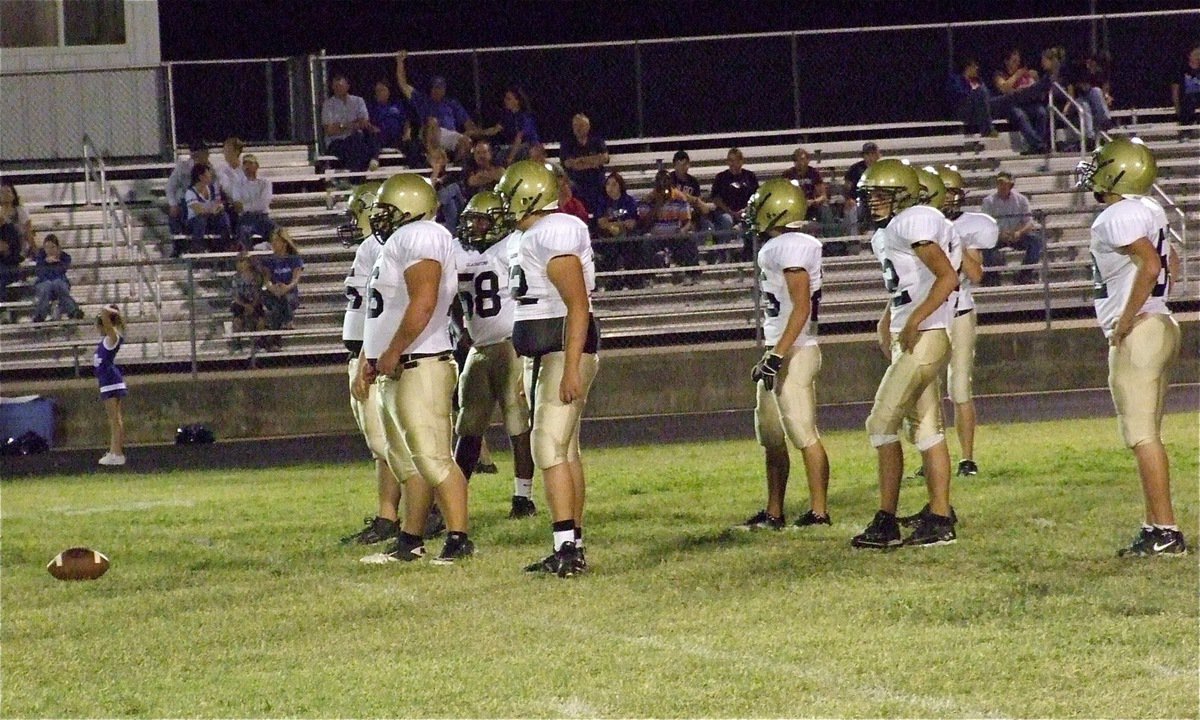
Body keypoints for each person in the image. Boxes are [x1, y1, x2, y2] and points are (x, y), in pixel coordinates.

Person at [355, 173, 473, 565]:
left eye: (387, 211)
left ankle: (459, 539)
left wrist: (392, 351)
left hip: (419, 363)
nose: (381, 219)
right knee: (409, 462)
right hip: (397, 365)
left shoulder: (421, 235)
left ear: (411, 207)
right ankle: (411, 539)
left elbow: (423, 302)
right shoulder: (400, 241)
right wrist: (369, 358)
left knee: (434, 458)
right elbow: (383, 312)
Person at [1078, 137, 1186, 557]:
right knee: (1149, 435)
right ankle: (1156, 525)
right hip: (1161, 323)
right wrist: (1154, 303)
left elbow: (1153, 263)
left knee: (1141, 436)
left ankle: (1165, 529)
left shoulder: (1116, 215)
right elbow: (1171, 261)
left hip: (1141, 332)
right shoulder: (1150, 208)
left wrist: (1124, 319)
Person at [496, 160, 600, 578]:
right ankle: (571, 542)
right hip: (546, 351)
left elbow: (578, 306)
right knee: (565, 448)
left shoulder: (554, 232)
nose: (504, 205)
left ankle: (567, 550)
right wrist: (525, 370)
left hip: (564, 348)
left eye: (509, 196)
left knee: (547, 447)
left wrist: (572, 366)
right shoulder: (530, 236)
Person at [852, 158, 958, 549]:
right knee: (928, 431)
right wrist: (890, 321)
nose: (873, 202)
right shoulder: (892, 230)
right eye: (871, 195)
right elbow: (911, 284)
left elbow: (947, 276)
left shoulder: (913, 221)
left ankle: (886, 520)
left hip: (926, 335)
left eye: (881, 195)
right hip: (917, 332)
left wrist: (914, 321)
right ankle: (940, 517)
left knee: (880, 423)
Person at [338, 180, 444, 546]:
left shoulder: (387, 246)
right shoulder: (378, 246)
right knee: (383, 444)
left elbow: (387, 307)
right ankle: (394, 514)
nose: (360, 221)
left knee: (393, 444)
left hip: (383, 355)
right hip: (370, 353)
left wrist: (373, 353)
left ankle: (406, 514)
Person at [735, 178, 831, 531]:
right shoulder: (781, 247)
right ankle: (774, 512)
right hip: (781, 347)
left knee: (803, 431)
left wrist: (777, 355)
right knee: (772, 435)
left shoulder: (788, 248)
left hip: (796, 349)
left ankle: (819, 512)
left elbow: (801, 306)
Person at [452, 190, 538, 518]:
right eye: (470, 219)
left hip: (510, 343)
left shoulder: (512, 245)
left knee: (517, 421)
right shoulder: (461, 251)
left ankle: (523, 497)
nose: (473, 226)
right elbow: (447, 296)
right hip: (479, 348)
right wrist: (461, 331)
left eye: (480, 219)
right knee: (468, 424)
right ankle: (454, 493)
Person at [937, 164, 997, 478]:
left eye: (953, 193)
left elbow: (976, 274)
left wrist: (954, 242)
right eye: (943, 193)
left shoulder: (968, 227)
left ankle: (967, 458)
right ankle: (931, 456)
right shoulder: (921, 224)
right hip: (930, 314)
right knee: (924, 391)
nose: (949, 200)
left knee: (959, 388)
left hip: (958, 311)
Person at [395, 50, 476, 161]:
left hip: (448, 134)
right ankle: (433, 156)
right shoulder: (422, 100)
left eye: (441, 88)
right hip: (430, 134)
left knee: (466, 142)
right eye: (436, 87)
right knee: (433, 121)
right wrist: (400, 62)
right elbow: (403, 84)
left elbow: (469, 125)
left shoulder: (452, 103)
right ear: (431, 88)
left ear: (444, 89)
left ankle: (457, 169)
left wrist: (468, 133)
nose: (438, 90)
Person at [980, 171, 1043, 285]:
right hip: (996, 236)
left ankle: (1025, 275)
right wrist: (999, 234)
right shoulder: (988, 201)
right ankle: (991, 276)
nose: (1002, 186)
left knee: (1036, 241)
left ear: (1011, 185)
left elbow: (1029, 223)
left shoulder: (1021, 200)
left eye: (1005, 183)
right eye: (999, 183)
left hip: (1017, 235)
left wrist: (1019, 232)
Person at [639, 169, 699, 284]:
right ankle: (648, 277)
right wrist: (657, 205)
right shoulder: (648, 199)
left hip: (675, 234)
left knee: (690, 238)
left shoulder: (680, 198)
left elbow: (687, 222)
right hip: (656, 235)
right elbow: (644, 224)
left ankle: (692, 274)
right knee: (646, 240)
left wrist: (682, 231)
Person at [595, 171, 651, 291]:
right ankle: (613, 281)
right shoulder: (602, 202)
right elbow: (601, 223)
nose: (610, 188)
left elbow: (632, 223)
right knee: (610, 250)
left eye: (614, 184)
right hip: (609, 238)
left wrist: (613, 224)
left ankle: (633, 280)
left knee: (633, 247)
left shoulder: (628, 201)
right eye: (608, 184)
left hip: (627, 237)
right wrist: (618, 224)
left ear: (620, 186)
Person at [991, 48, 1048, 154]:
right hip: (1008, 106)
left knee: (1041, 112)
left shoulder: (1024, 75)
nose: (1017, 64)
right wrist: (1017, 75)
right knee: (1020, 114)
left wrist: (1035, 79)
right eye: (1014, 61)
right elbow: (1004, 88)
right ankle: (1038, 144)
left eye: (1018, 61)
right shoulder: (999, 74)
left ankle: (1035, 145)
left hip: (1025, 103)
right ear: (1006, 62)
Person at [256, 228, 303, 345]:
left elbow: (295, 279)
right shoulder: (269, 260)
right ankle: (288, 320)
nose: (274, 244)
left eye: (277, 241)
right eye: (273, 241)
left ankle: (274, 340)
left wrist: (285, 288)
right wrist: (273, 289)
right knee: (277, 300)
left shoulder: (294, 258)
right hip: (273, 293)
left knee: (279, 305)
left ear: (284, 243)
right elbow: (266, 280)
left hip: (289, 292)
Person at [711, 148, 760, 259]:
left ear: (742, 161)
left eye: (736, 160)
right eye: (731, 160)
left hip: (746, 211)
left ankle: (749, 255)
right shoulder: (721, 177)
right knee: (726, 220)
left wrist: (746, 210)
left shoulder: (750, 176)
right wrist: (730, 211)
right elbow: (716, 198)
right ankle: (722, 254)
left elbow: (757, 196)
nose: (733, 163)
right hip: (725, 211)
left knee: (752, 221)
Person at [94, 304, 127, 467]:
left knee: (115, 419)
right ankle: (114, 451)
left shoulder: (112, 337)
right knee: (114, 419)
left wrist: (107, 311)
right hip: (106, 381)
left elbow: (106, 314)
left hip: (110, 381)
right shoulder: (107, 339)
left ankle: (117, 453)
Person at [560, 113, 609, 217]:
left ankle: (599, 222)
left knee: (603, 189)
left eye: (581, 125)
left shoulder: (596, 140)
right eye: (575, 125)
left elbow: (605, 158)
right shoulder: (567, 143)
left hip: (596, 181)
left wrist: (580, 161)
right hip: (576, 182)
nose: (578, 128)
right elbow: (568, 163)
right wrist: (593, 161)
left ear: (588, 127)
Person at [321, 73, 372, 173]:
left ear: (348, 86)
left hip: (356, 139)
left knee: (358, 141)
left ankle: (353, 177)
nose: (337, 89)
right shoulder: (328, 105)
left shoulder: (358, 101)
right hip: (336, 143)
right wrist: (353, 124)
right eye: (335, 86)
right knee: (357, 148)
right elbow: (329, 130)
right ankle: (356, 178)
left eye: (340, 86)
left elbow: (364, 123)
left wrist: (341, 125)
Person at [183, 163, 232, 254]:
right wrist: (212, 210)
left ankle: (225, 244)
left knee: (223, 216)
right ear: (201, 177)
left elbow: (218, 203)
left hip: (211, 218)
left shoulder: (213, 188)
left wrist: (217, 209)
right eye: (208, 174)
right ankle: (197, 247)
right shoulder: (190, 193)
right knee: (200, 220)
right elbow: (198, 210)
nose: (210, 176)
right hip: (194, 222)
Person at [32, 234, 83, 322]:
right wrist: (45, 262)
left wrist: (57, 262)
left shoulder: (65, 258)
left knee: (58, 283)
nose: (50, 250)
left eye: (52, 247)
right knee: (47, 286)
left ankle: (73, 311)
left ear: (58, 247)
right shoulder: (40, 257)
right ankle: (40, 315)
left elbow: (61, 271)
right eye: (47, 247)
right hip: (43, 283)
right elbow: (40, 273)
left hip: (60, 283)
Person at [482, 86, 539, 163]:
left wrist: (510, 158)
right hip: (516, 148)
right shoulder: (508, 116)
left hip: (530, 147)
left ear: (517, 101)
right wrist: (476, 132)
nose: (505, 101)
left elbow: (519, 138)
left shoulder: (525, 116)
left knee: (502, 156)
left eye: (508, 99)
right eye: (505, 98)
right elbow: (494, 130)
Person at [781, 147, 835, 229]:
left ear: (808, 160)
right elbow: (784, 195)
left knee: (825, 209)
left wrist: (813, 201)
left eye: (802, 159)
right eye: (797, 160)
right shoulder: (787, 174)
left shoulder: (814, 173)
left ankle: (832, 239)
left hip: (812, 205)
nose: (800, 162)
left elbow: (823, 196)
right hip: (794, 206)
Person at [166, 141, 209, 236]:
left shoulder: (209, 169)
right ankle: (179, 242)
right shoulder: (183, 167)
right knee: (177, 211)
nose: (207, 157)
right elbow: (170, 187)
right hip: (185, 202)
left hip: (202, 202)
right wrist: (173, 204)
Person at [231, 154, 274, 245]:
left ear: (257, 166)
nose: (247, 166)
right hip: (246, 218)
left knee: (277, 232)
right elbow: (237, 205)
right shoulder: (237, 184)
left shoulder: (265, 182)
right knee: (243, 231)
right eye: (245, 163)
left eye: (250, 163)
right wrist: (253, 206)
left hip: (262, 217)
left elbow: (264, 204)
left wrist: (245, 206)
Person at [948, 57, 996, 137]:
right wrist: (974, 92)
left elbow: (988, 96)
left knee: (1001, 99)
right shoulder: (956, 80)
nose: (977, 68)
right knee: (981, 91)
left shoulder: (978, 81)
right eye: (974, 66)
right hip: (963, 110)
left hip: (978, 111)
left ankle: (987, 127)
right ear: (968, 68)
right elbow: (958, 96)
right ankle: (987, 130)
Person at [366, 78, 409, 168]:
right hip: (379, 137)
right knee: (373, 139)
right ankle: (374, 160)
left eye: (382, 90)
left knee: (411, 144)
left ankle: (411, 166)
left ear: (388, 91)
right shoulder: (371, 106)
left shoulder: (397, 105)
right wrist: (372, 127)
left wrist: (406, 134)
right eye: (377, 90)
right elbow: (365, 122)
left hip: (397, 137)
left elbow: (406, 122)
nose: (379, 92)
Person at [842, 142, 880, 236]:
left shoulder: (883, 168)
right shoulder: (855, 169)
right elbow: (847, 187)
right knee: (852, 210)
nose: (870, 157)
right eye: (867, 154)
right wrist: (848, 199)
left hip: (879, 200)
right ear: (863, 156)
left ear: (877, 155)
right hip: (858, 200)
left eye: (873, 154)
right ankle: (854, 242)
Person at [229, 251, 265, 351]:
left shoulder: (256, 276)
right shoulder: (236, 278)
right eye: (238, 262)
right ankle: (237, 343)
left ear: (249, 263)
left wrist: (252, 305)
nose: (239, 264)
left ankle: (259, 342)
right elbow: (235, 296)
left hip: (253, 301)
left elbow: (258, 293)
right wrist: (245, 305)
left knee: (260, 320)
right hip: (241, 302)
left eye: (242, 261)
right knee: (237, 320)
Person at [0, 179, 35, 259]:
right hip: (2, 250)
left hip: (18, 248)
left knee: (10, 228)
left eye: (8, 191)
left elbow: (28, 233)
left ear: (13, 196)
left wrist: (35, 250)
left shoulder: (21, 211)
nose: (5, 194)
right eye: (2, 192)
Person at [1171, 43, 1200, 130]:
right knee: (1188, 103)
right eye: (1195, 53)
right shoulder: (1181, 70)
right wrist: (1177, 107)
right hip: (1186, 101)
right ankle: (1185, 132)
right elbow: (1175, 91)